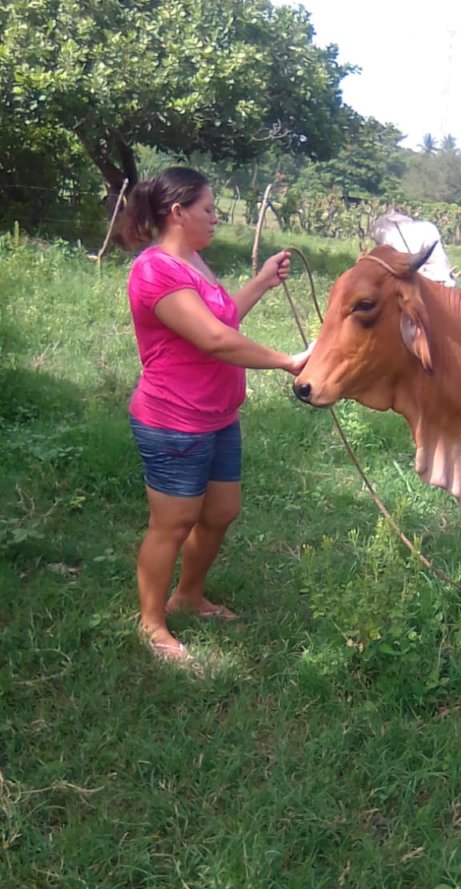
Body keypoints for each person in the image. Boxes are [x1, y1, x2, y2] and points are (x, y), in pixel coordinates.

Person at [122, 166, 308, 662]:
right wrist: (288, 361)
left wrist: (263, 282)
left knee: (222, 511)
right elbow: (212, 339)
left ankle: (189, 595)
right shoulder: (155, 270)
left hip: (218, 414)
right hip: (172, 418)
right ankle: (152, 623)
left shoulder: (196, 263)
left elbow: (221, 317)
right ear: (178, 212)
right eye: (209, 210)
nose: (216, 220)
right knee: (173, 523)